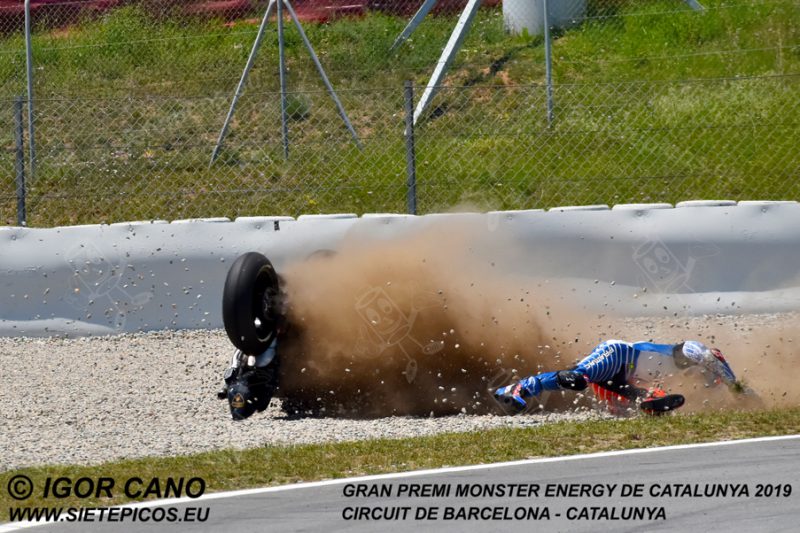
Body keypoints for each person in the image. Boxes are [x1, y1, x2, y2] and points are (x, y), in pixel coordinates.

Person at [493, 340, 736, 414]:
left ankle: (648, 406)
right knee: (576, 378)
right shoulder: (684, 356)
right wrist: (736, 387)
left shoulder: (682, 372)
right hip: (617, 354)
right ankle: (519, 388)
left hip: (620, 378)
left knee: (640, 400)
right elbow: (700, 351)